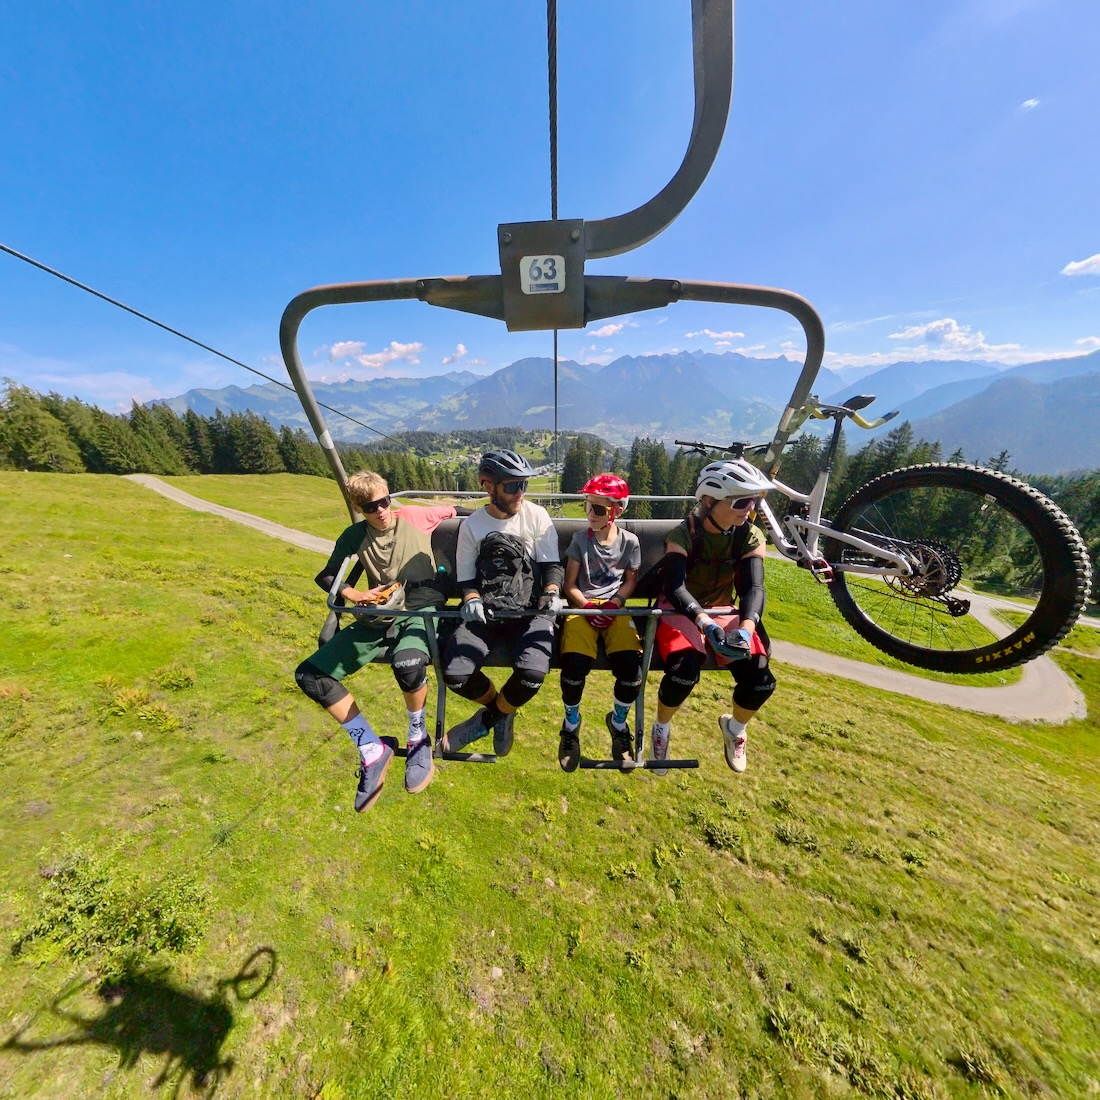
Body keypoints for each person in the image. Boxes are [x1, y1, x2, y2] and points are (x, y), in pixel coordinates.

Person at [295, 470, 466, 812]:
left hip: (421, 607)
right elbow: (328, 574)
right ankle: (372, 749)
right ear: (360, 508)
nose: (382, 511)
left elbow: (460, 511)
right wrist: (354, 593)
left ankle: (417, 737)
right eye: (372, 507)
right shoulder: (355, 535)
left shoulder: (415, 517)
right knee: (310, 676)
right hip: (378, 614)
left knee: (408, 663)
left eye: (385, 501)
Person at [650, 459, 778, 775]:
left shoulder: (748, 536)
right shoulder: (684, 534)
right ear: (709, 501)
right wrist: (703, 622)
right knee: (684, 670)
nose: (749, 510)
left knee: (761, 681)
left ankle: (734, 728)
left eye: (754, 502)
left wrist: (747, 629)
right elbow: (675, 586)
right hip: (681, 609)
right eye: (740, 502)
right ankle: (661, 728)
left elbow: (753, 588)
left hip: (723, 610)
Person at [441, 449, 565, 755]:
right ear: (488, 485)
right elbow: (466, 579)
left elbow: (552, 565)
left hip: (532, 611)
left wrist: (551, 591)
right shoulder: (472, 526)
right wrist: (470, 598)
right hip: (489, 610)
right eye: (512, 486)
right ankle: (503, 710)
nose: (520, 493)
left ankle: (489, 719)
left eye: (524, 485)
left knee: (533, 674)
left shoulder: (537, 516)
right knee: (456, 675)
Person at [557, 474, 643, 771]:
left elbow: (630, 581)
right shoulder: (580, 541)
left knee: (631, 671)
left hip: (614, 608)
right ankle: (571, 724)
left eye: (598, 509)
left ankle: (618, 723)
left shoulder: (629, 542)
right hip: (584, 608)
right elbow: (570, 584)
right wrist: (587, 607)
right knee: (574, 668)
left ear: (616, 511)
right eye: (588, 507)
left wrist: (615, 604)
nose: (590, 515)